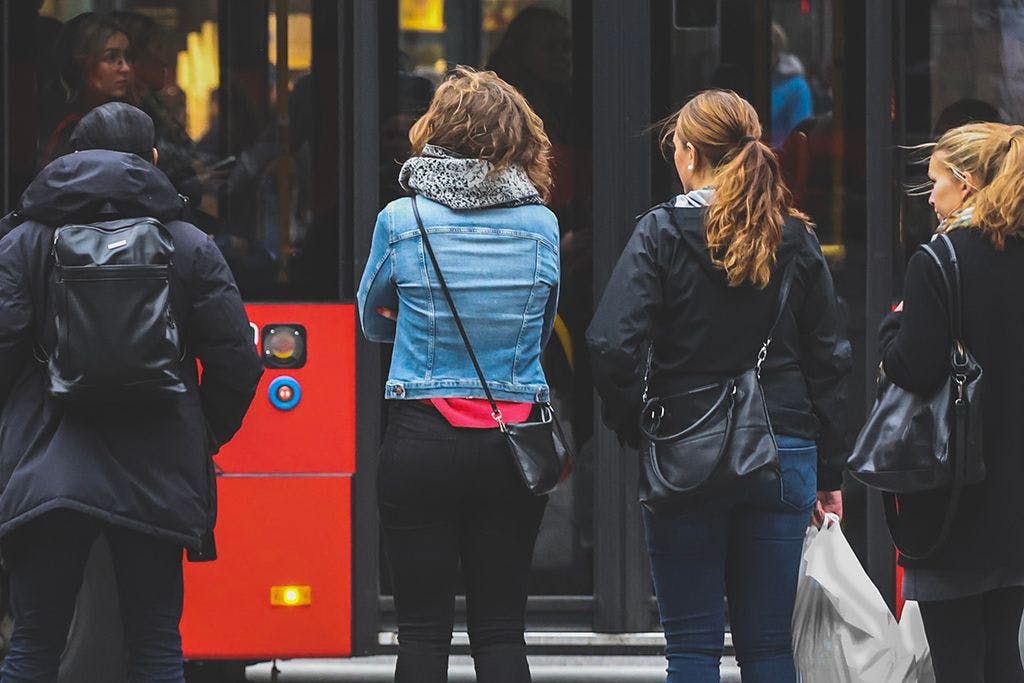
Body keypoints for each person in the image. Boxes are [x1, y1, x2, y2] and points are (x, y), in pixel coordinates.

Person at [586, 90, 849, 682]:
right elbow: (830, 361)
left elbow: (609, 345)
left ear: (688, 155)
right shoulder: (796, 238)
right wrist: (829, 473)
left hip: (685, 447)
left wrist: (638, 423)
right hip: (783, 449)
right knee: (768, 646)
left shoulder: (660, 232)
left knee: (692, 647)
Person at [0, 102, 263, 682]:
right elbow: (237, 363)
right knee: (154, 646)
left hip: (48, 474)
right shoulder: (190, 243)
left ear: (72, 159)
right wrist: (204, 430)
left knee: (34, 647)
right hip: (157, 471)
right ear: (152, 160)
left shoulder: (23, 243)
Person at [357, 67, 559, 683]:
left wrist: (415, 329)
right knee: (501, 631)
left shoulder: (403, 219)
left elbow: (371, 318)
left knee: (421, 630)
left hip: (421, 435)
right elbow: (543, 325)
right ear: (515, 137)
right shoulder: (542, 224)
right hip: (511, 439)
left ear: (436, 130)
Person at [880, 122, 1024, 682]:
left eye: (935, 180)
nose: (930, 194)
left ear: (965, 184)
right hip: (1015, 503)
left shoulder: (939, 261)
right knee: (1003, 651)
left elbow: (912, 367)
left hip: (955, 500)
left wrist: (892, 326)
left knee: (958, 659)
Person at [41, 12, 135, 163]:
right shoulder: (70, 129)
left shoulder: (123, 118)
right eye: (111, 57)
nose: (126, 68)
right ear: (80, 62)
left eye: (127, 56)